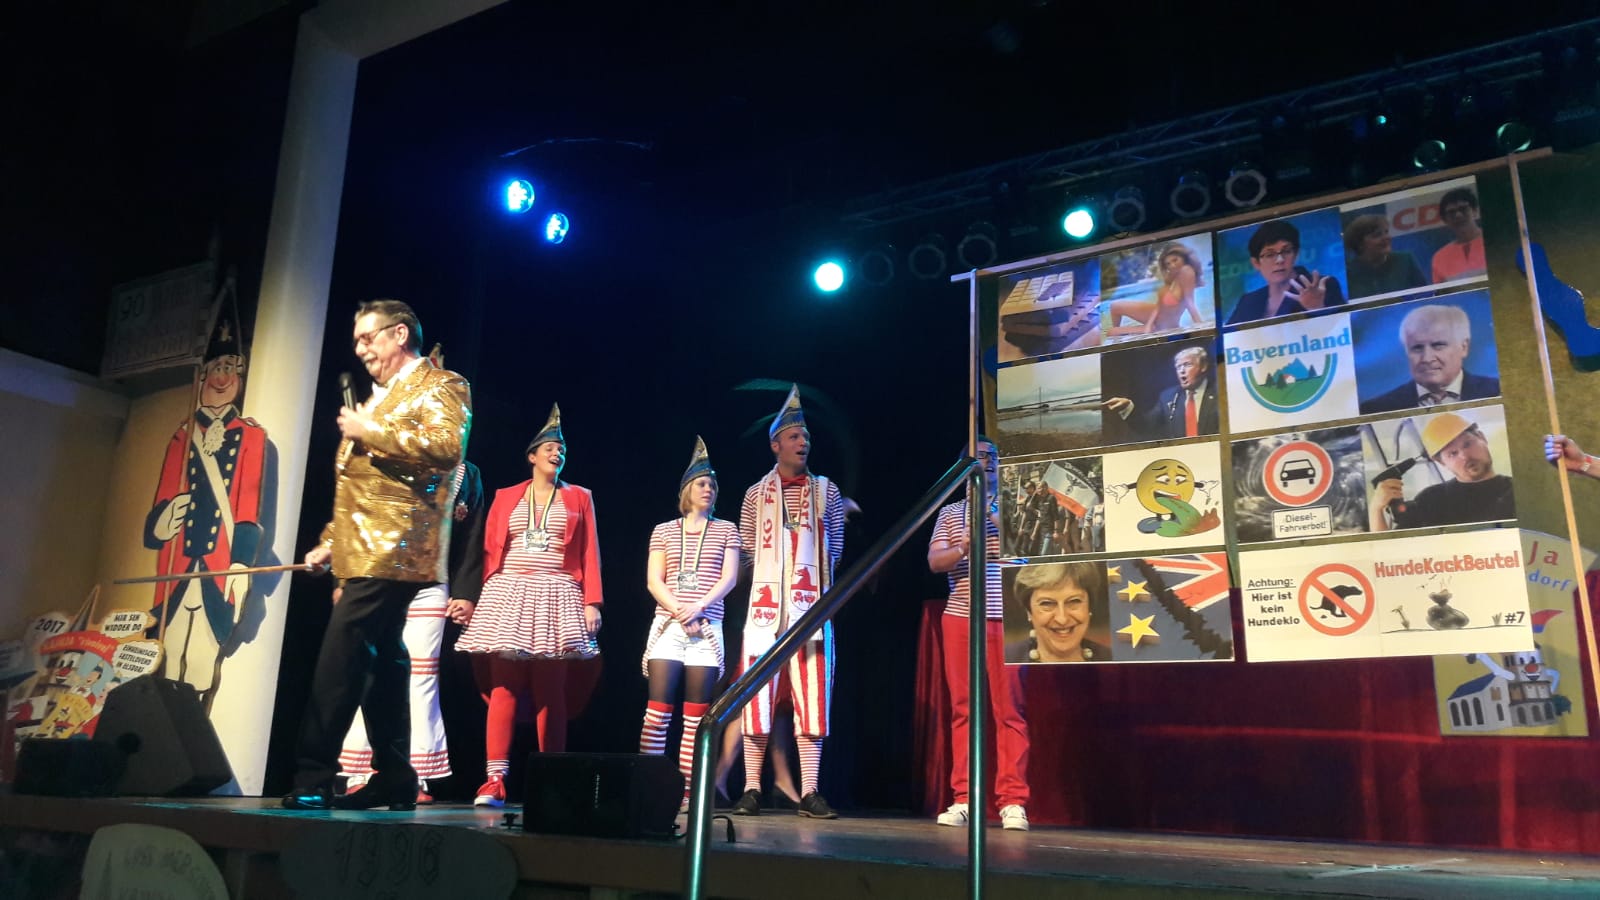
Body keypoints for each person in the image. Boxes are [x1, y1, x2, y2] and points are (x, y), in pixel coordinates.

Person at [284, 299, 471, 811]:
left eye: (369, 338)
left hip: (399, 549)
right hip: (363, 550)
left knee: (341, 655)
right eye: (357, 342)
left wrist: (372, 432)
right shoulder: (378, 398)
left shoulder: (442, 384)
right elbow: (359, 487)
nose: (361, 349)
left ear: (400, 334)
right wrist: (330, 542)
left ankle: (313, 775)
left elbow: (446, 447)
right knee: (383, 660)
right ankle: (395, 776)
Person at [456, 404, 603, 807]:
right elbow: (488, 551)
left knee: (551, 689)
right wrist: (473, 598)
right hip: (509, 591)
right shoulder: (506, 497)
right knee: (503, 685)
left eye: (562, 449)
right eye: (550, 448)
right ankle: (495, 779)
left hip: (557, 592)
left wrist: (592, 602)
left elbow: (590, 552)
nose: (558, 453)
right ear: (532, 456)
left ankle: (551, 779)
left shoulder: (579, 497)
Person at [337, 459, 485, 805]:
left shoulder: (466, 473)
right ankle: (360, 772)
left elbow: (471, 536)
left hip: (431, 581)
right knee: (370, 667)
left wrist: (465, 593)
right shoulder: (396, 455)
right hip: (381, 575)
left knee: (422, 675)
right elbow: (360, 515)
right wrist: (345, 580)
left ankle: (412, 774)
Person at [731, 385, 845, 820]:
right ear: (775, 445)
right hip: (764, 612)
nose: (803, 443)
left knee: (812, 699)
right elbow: (747, 550)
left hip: (811, 610)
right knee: (756, 699)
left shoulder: (826, 491)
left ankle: (810, 790)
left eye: (807, 437)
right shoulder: (754, 494)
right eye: (795, 437)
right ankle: (751, 788)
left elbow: (835, 548)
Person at [143, 311, 266, 711]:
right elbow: (160, 505)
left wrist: (240, 564)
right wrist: (165, 520)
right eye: (215, 367)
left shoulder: (250, 436)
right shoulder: (182, 436)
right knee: (169, 656)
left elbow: (247, 504)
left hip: (217, 566)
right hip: (178, 566)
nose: (221, 376)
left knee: (201, 660)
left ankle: (190, 735)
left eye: (229, 367)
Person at [927, 437, 1030, 832]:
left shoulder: (1017, 508)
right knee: (964, 709)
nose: (987, 463)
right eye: (979, 457)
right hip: (961, 617)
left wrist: (992, 511)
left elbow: (1026, 548)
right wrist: (963, 548)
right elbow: (935, 561)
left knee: (1010, 710)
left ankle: (1013, 800)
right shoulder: (951, 513)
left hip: (1011, 616)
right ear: (965, 466)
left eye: (993, 457)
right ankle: (964, 798)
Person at [638, 437, 741, 809]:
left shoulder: (727, 529)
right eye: (701, 484)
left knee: (696, 717)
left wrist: (698, 607)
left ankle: (686, 791)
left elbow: (729, 579)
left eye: (712, 484)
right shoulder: (664, 530)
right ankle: (649, 786)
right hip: (668, 627)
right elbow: (654, 581)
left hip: (707, 629)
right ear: (686, 490)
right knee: (657, 712)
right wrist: (680, 611)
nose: (708, 489)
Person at [1369, 411, 1515, 532]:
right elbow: (1389, 549)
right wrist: (1376, 510)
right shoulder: (1431, 500)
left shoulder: (1517, 490)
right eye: (1453, 453)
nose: (1465, 456)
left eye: (1467, 444)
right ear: (1441, 462)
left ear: (1482, 438)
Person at [1360, 304, 1500, 414]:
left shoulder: (1498, 391)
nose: (1427, 358)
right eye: (1417, 348)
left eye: (1438, 345)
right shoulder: (1376, 409)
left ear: (1464, 347)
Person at [1224, 219, 1346, 326]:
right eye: (1270, 254)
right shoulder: (1248, 301)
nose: (1280, 260)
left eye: (1286, 251)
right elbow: (1227, 339)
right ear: (1256, 263)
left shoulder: (1324, 286)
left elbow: (1344, 330)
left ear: (1296, 254)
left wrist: (1317, 309)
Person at [1103, 346, 1218, 439]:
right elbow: (1146, 427)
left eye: (1187, 365)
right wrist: (1127, 407)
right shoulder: (1169, 396)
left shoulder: (1219, 392)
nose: (1181, 371)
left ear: (1203, 366)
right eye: (1178, 367)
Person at [1006, 562, 1108, 663]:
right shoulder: (1004, 659)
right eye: (1047, 603)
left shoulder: (1111, 656)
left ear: (1089, 607)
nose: (1062, 619)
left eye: (1074, 601)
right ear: (1029, 611)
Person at [1106, 243, 1206, 336]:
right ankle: (1120, 338)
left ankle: (1120, 336)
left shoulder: (1186, 271)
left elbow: (1189, 302)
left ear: (1183, 257)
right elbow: (1159, 305)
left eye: (1175, 260)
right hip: (1155, 316)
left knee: (1111, 332)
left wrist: (1200, 326)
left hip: (1164, 325)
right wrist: (1148, 325)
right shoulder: (1173, 276)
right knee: (1115, 306)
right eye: (1168, 264)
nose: (1172, 265)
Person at [1342, 214, 1426, 298]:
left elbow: (1425, 294)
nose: (1387, 237)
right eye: (1377, 235)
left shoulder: (1405, 260)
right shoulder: (1348, 273)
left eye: (1386, 232)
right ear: (1359, 244)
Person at [1430, 187, 1486, 284]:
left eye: (1463, 209)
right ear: (1445, 220)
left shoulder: (1496, 242)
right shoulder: (1440, 258)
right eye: (1451, 212)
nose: (1458, 215)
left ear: (1475, 211)